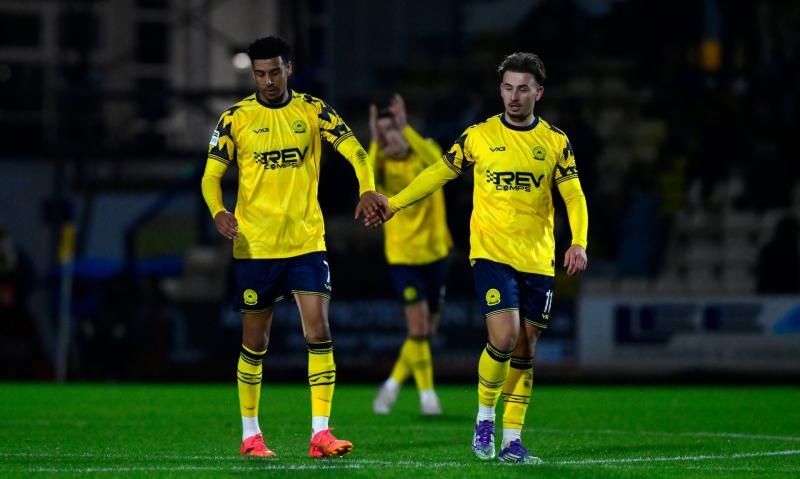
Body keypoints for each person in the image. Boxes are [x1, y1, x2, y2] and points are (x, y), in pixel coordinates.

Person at [366, 52, 588, 464]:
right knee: (503, 337)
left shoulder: (555, 141)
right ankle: (485, 420)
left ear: (538, 92)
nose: (514, 96)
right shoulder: (478, 136)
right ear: (500, 90)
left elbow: (573, 194)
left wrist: (579, 241)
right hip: (491, 254)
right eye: (508, 88)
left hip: (538, 259)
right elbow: (438, 172)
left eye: (523, 89)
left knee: (525, 348)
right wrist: (394, 202)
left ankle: (512, 440)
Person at [200, 35, 383, 459]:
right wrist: (217, 212)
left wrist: (367, 189)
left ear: (289, 68)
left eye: (274, 72)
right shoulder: (235, 118)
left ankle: (321, 433)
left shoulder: (313, 110)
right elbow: (210, 176)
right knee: (255, 342)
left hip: (305, 242)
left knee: (318, 330)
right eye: (260, 73)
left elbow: (356, 151)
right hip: (256, 246)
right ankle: (251, 436)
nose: (267, 81)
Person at [367, 95, 452, 416]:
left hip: (436, 252)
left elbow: (440, 163)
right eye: (383, 132)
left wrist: (407, 129)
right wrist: (374, 142)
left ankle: (391, 385)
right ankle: (428, 396)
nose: (390, 136)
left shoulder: (424, 151)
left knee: (426, 332)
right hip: (403, 256)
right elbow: (367, 178)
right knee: (417, 330)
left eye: (394, 130)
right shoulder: (383, 166)